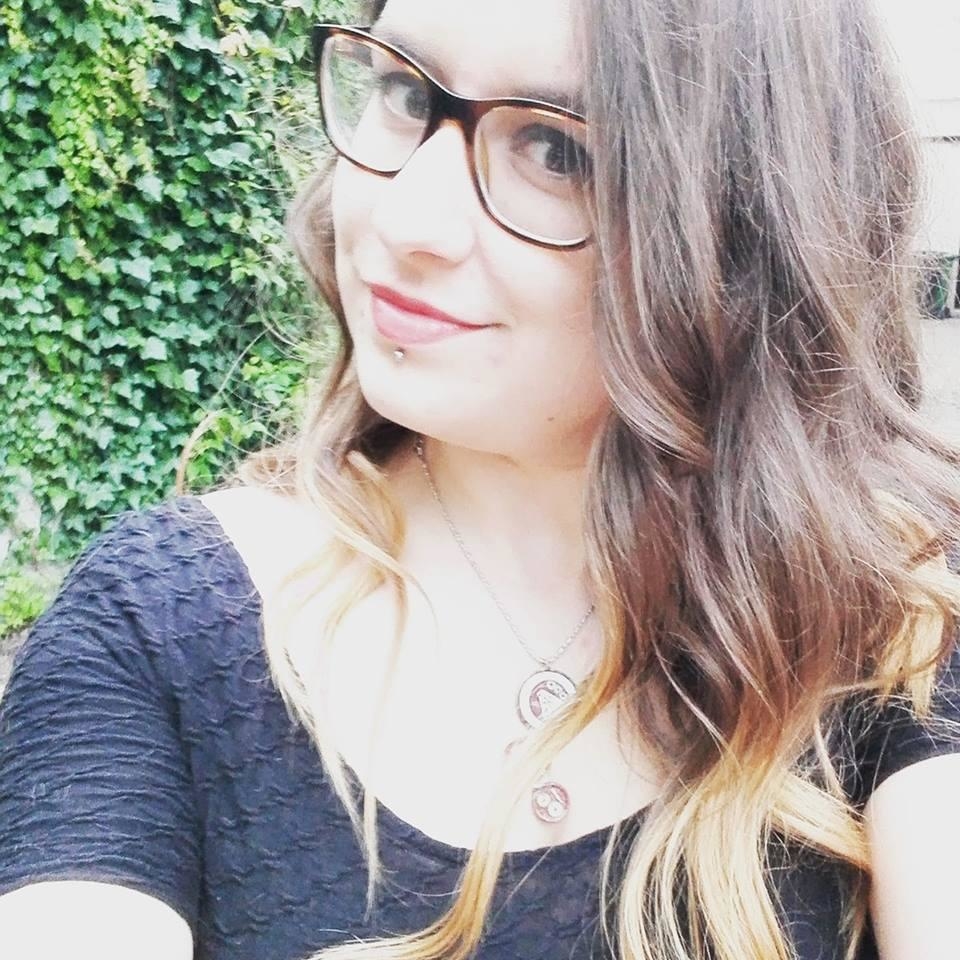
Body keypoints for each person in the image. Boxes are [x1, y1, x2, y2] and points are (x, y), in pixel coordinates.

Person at [1, 0, 959, 957]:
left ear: (748, 228)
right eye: (403, 93)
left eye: (555, 151)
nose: (401, 217)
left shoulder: (898, 610)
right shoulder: (159, 623)